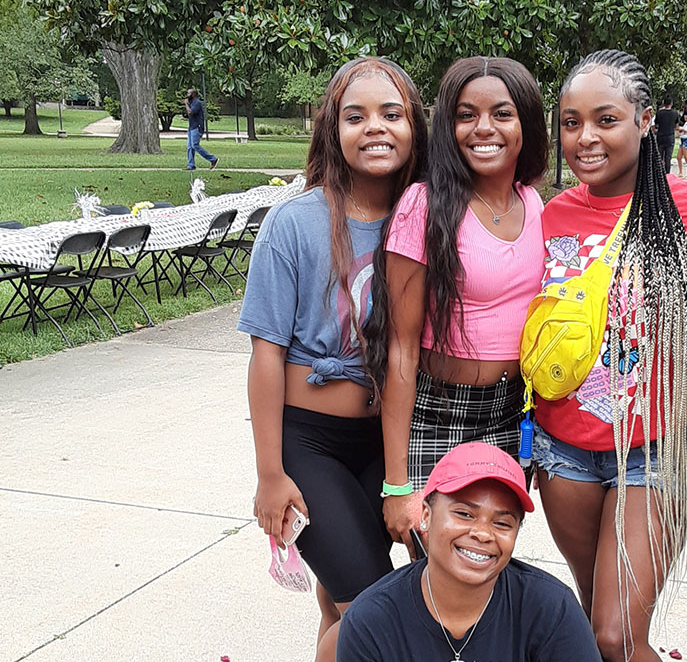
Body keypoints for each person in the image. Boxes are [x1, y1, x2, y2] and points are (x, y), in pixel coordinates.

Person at [238, 57, 427, 662]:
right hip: (310, 444)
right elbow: (265, 356)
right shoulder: (293, 224)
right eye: (356, 116)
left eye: (391, 114)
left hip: (389, 439)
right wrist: (271, 474)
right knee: (372, 606)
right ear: (331, 129)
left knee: (341, 603)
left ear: (415, 126)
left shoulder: (422, 219)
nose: (375, 127)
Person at [534, 50, 687, 662]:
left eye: (605, 119)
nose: (585, 138)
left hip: (655, 450)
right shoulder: (550, 214)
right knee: (591, 619)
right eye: (571, 121)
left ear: (645, 119)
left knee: (615, 632)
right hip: (563, 449)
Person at [369, 56, 548, 558]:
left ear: (526, 123)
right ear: (448, 125)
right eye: (466, 114)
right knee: (439, 575)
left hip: (512, 415)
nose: (483, 128)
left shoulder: (535, 203)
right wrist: (398, 485)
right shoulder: (423, 206)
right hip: (437, 414)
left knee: (484, 567)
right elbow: (400, 349)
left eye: (502, 114)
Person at [337, 442, 602, 662]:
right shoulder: (371, 622)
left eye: (502, 523)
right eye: (464, 514)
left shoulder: (552, 610)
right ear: (426, 516)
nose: (483, 533)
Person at [184, 88, 218, 171]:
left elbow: (191, 112)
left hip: (197, 127)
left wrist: (186, 104)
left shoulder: (197, 103)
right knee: (189, 147)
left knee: (195, 145)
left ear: (193, 95)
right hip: (191, 127)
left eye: (189, 93)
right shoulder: (192, 103)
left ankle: (213, 159)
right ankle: (191, 165)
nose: (187, 95)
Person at [654, 97, 679, 173]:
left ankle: (659, 172)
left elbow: (656, 125)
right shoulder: (675, 113)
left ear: (664, 104)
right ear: (671, 104)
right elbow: (676, 125)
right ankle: (667, 173)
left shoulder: (659, 113)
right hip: (670, 136)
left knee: (659, 156)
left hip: (661, 136)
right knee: (668, 157)